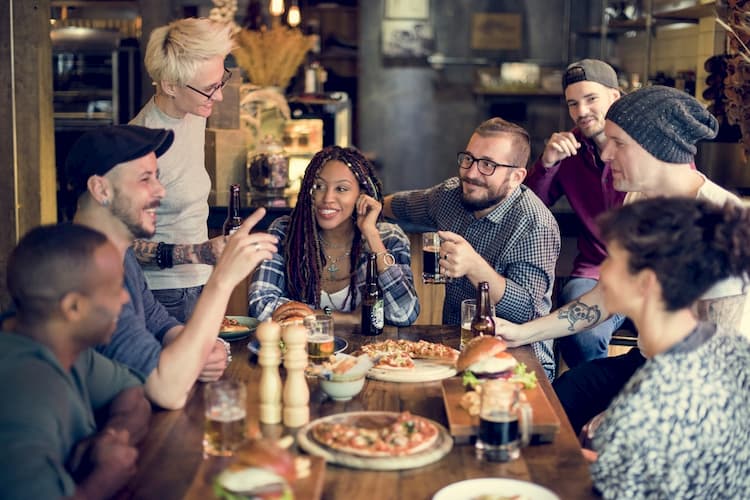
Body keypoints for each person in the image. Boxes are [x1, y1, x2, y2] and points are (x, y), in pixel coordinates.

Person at [496, 85, 747, 433]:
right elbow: (602, 298)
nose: (606, 154)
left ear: (656, 146)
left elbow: (715, 358)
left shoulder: (721, 221)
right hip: (645, 361)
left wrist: (631, 412)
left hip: (696, 388)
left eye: (619, 143)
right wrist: (522, 333)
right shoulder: (638, 200)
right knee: (560, 399)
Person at [67, 125, 277, 410]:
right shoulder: (84, 271)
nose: (160, 191)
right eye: (145, 179)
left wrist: (198, 351)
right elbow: (167, 390)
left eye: (157, 177)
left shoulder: (119, 251)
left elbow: (157, 321)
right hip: (99, 441)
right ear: (100, 189)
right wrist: (223, 279)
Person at [589, 197, 750, 499]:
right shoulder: (732, 345)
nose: (601, 271)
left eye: (609, 259)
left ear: (646, 282)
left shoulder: (647, 406)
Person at [382, 117, 561, 379]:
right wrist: (363, 200)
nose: (471, 173)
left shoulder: (535, 224)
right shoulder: (450, 197)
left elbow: (526, 312)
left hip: (518, 360)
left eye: (488, 165)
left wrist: (474, 267)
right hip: (454, 350)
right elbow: (402, 205)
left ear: (516, 177)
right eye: (468, 159)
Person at [0, 224, 151, 499]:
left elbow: (133, 392)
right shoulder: (22, 395)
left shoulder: (69, 349)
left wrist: (113, 435)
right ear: (73, 307)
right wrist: (107, 476)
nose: (125, 297)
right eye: (116, 287)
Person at [129, 17, 235, 322]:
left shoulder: (194, 111)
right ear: (169, 85)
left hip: (202, 282)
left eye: (220, 81)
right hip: (164, 295)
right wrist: (197, 253)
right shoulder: (141, 145)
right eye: (208, 89)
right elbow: (119, 246)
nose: (219, 96)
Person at [524, 59, 625, 367]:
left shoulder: (643, 147)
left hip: (650, 272)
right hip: (594, 272)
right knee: (584, 336)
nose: (581, 112)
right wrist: (548, 162)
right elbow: (528, 207)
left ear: (615, 97)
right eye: (573, 103)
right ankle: (592, 408)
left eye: (591, 99)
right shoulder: (569, 149)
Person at [249, 146, 419, 326]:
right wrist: (346, 318)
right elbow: (261, 305)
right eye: (319, 186)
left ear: (361, 195)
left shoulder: (387, 238)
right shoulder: (285, 231)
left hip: (368, 353)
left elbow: (404, 314)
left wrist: (371, 235)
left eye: (341, 189)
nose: (327, 198)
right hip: (301, 351)